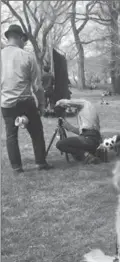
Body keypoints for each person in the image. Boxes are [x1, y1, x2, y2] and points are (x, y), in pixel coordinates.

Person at [1, 24, 53, 174]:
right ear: (19, 37)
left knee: (11, 135)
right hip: (24, 100)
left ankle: (17, 167)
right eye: (24, 39)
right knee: (37, 132)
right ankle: (41, 163)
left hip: (7, 103)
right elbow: (37, 85)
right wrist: (42, 104)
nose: (24, 43)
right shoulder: (27, 56)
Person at [55, 98, 102, 164]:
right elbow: (83, 132)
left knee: (60, 144)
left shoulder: (85, 103)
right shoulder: (87, 114)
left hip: (89, 139)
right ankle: (89, 154)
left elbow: (67, 102)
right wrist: (69, 127)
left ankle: (87, 155)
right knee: (75, 155)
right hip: (93, 140)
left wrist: (58, 103)